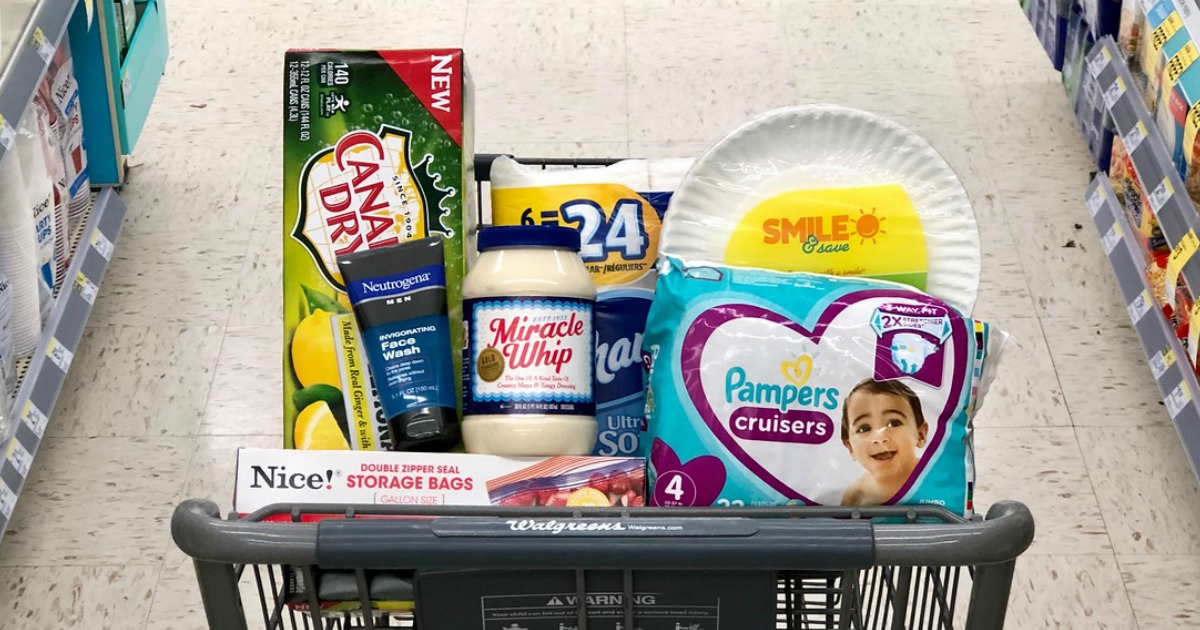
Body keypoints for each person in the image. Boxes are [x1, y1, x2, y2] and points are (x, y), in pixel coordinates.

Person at [840, 378, 928, 506]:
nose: (879, 438)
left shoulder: (934, 476)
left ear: (920, 435)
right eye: (864, 428)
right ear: (850, 448)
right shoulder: (856, 495)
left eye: (894, 423)